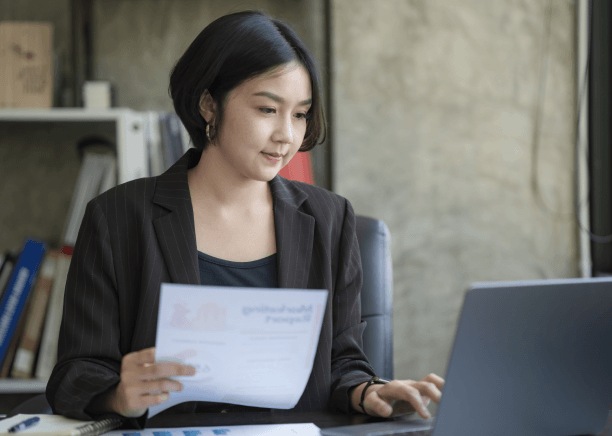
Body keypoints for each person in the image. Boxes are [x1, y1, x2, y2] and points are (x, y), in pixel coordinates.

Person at [45, 10, 444, 429]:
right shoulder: (117, 217)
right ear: (208, 105)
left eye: (300, 114)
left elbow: (342, 364)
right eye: (268, 109)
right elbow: (73, 376)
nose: (287, 135)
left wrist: (370, 393)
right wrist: (118, 395)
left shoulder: (330, 218)